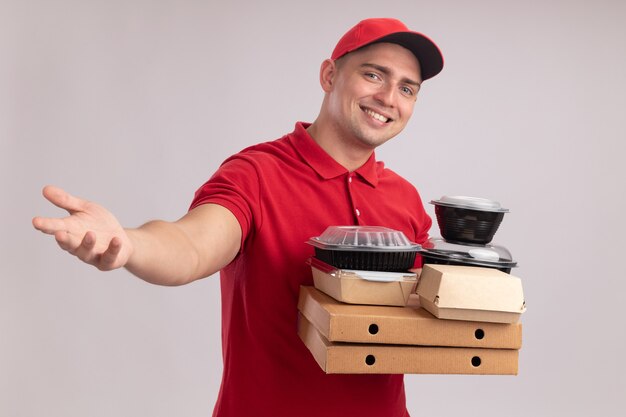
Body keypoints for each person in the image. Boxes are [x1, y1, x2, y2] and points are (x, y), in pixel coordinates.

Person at [33, 17, 444, 417]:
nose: (390, 97)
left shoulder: (405, 198)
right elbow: (192, 245)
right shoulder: (256, 173)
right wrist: (129, 242)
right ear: (329, 75)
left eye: (407, 88)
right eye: (374, 75)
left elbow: (431, 308)